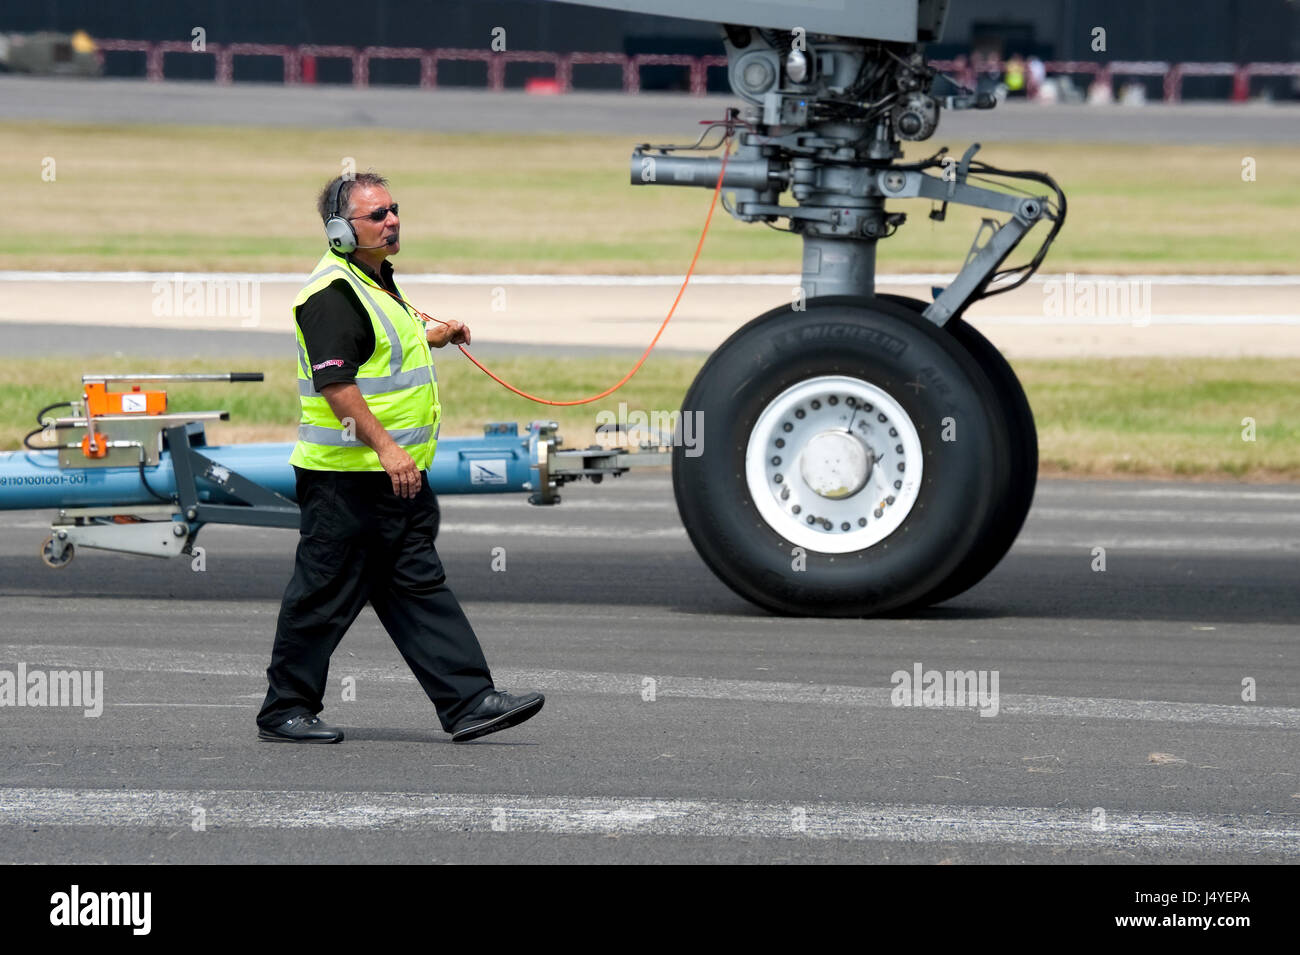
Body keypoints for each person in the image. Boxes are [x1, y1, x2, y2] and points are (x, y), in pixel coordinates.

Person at [256, 170, 544, 744]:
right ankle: (284, 709)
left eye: (393, 210)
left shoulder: (375, 280)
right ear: (341, 230)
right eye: (376, 215)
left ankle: (469, 701)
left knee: (416, 584)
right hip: (349, 479)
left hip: (391, 481)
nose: (391, 222)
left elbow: (378, 347)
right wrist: (388, 449)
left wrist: (431, 334)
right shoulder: (331, 296)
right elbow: (337, 386)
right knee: (322, 594)